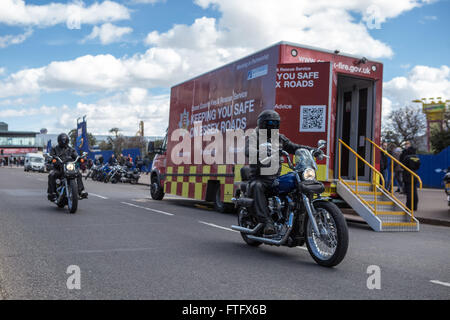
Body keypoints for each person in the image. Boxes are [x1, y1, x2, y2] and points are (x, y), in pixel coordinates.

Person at [245, 110, 321, 235]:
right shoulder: (255, 137)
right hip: (260, 177)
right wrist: (259, 152)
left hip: (275, 177)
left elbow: (295, 147)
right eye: (269, 123)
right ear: (262, 124)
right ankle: (267, 222)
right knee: (257, 186)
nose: (272, 126)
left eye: (275, 123)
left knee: (295, 184)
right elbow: (248, 150)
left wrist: (313, 151)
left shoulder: (279, 138)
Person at [47, 133, 88, 201]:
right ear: (59, 141)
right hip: (58, 168)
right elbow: (51, 156)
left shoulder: (71, 149)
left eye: (65, 140)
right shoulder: (55, 149)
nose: (64, 142)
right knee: (51, 175)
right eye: (62, 140)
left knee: (78, 174)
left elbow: (76, 156)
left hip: (69, 167)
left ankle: (81, 191)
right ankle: (52, 193)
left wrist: (80, 158)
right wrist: (51, 158)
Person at [400, 140, 418, 211]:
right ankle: (415, 206)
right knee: (414, 191)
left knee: (409, 192)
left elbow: (402, 164)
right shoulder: (416, 156)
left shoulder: (406, 156)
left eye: (406, 144)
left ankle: (409, 207)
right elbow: (418, 165)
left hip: (407, 175)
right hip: (414, 174)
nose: (406, 145)